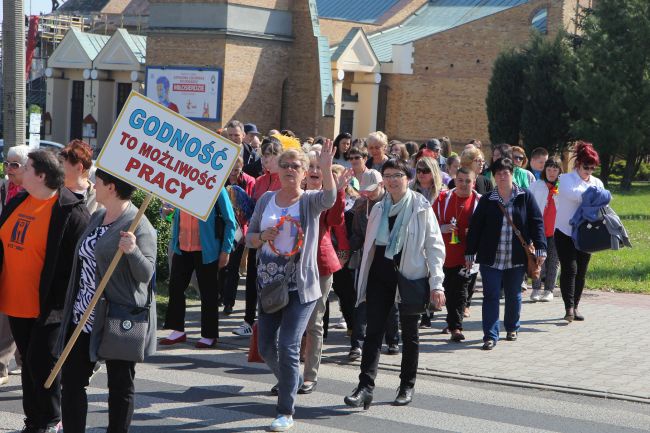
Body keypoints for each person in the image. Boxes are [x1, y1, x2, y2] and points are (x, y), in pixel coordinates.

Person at [246, 144, 336, 432]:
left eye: (295, 166)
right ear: (277, 169)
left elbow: (330, 198)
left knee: (288, 345)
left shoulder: (308, 201)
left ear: (303, 172)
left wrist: (325, 167)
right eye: (285, 165)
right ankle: (291, 379)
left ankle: (285, 411)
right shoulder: (267, 199)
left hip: (301, 286)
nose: (289, 170)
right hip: (269, 285)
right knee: (264, 345)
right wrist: (262, 235)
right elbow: (249, 239)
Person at [58, 169, 156, 433]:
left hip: (117, 316)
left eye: (97, 181)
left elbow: (146, 275)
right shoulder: (99, 215)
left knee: (120, 384)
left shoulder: (140, 224)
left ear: (111, 187)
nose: (92, 185)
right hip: (83, 314)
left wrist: (133, 251)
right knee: (72, 381)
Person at [0, 149, 90, 433]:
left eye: (26, 167)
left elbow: (81, 263)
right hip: (14, 302)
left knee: (44, 367)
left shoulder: (70, 212)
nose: (19, 170)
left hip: (48, 308)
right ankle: (33, 421)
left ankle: (50, 421)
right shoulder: (18, 201)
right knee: (28, 366)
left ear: (41, 175)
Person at [344, 158, 445, 409]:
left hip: (409, 277)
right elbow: (370, 246)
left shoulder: (420, 207)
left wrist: (437, 284)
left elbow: (434, 247)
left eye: (396, 175)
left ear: (407, 178)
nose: (391, 180)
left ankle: (407, 385)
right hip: (380, 275)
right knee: (373, 331)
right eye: (386, 175)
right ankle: (365, 387)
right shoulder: (378, 208)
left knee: (410, 334)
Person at [465, 158, 546, 350]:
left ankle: (511, 327)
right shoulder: (487, 199)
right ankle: (490, 335)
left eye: (506, 173)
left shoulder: (525, 196)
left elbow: (537, 223)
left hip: (516, 257)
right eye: (498, 173)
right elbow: (475, 228)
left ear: (512, 174)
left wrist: (541, 246)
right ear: (494, 177)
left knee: (513, 295)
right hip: (491, 258)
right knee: (491, 296)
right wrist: (470, 253)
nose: (502, 176)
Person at [160, 188, 236, 348]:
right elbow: (172, 215)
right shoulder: (180, 184)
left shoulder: (217, 188)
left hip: (207, 250)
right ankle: (177, 330)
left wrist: (226, 250)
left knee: (208, 293)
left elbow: (230, 221)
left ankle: (209, 335)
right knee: (175, 287)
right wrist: (166, 212)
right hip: (182, 248)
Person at [300, 153, 350, 394]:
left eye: (320, 167)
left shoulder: (327, 198)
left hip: (320, 266)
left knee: (313, 322)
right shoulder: (293, 196)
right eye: (310, 166)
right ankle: (288, 373)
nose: (315, 170)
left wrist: (338, 192)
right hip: (293, 265)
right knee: (290, 324)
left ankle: (309, 375)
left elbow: (336, 218)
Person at [347, 170, 400, 360]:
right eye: (365, 191)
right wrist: (350, 248)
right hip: (366, 257)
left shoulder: (392, 203)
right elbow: (356, 234)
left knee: (390, 301)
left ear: (381, 185)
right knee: (361, 300)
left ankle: (393, 339)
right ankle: (357, 344)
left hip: (388, 257)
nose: (368, 194)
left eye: (371, 190)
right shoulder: (361, 205)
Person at [233, 138, 283, 337]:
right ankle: (248, 321)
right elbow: (254, 208)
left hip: (278, 239)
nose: (265, 160)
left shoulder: (284, 179)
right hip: (258, 238)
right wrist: (242, 206)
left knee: (274, 282)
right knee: (253, 280)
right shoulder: (261, 180)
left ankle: (274, 324)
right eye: (264, 155)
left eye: (270, 156)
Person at [554, 142, 603, 322]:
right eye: (586, 167)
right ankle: (569, 308)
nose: (589, 171)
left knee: (581, 271)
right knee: (570, 268)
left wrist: (595, 195)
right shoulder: (566, 179)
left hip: (587, 233)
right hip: (565, 231)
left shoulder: (597, 182)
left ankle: (576, 305)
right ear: (578, 164)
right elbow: (575, 195)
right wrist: (593, 195)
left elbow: (605, 199)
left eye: (592, 168)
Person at [433, 168, 480, 342]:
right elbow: (430, 222)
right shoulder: (443, 199)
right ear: (455, 180)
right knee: (448, 289)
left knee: (460, 290)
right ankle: (452, 321)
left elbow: (486, 228)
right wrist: (442, 227)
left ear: (473, 182)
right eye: (460, 180)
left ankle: (456, 327)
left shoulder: (479, 202)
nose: (464, 184)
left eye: (468, 181)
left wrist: (474, 232)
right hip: (443, 254)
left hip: (467, 257)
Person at [529, 156, 562, 302]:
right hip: (539, 230)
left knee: (553, 260)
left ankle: (549, 290)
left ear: (559, 171)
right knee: (537, 259)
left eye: (555, 169)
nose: (552, 172)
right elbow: (528, 205)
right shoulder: (537, 186)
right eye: (549, 169)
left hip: (557, 230)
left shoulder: (562, 187)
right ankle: (536, 288)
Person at [60, 139, 99, 214]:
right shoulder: (54, 192)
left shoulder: (99, 197)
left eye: (62, 165)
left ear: (79, 168)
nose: (58, 169)